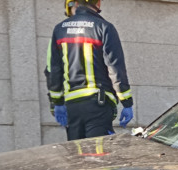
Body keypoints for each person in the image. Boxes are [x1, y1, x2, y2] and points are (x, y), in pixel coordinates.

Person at [46, 0, 134, 141]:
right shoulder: (104, 27)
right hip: (98, 104)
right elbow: (115, 68)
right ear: (97, 3)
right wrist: (127, 102)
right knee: (98, 156)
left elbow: (55, 70)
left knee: (78, 157)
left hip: (72, 107)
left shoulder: (59, 29)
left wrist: (57, 102)